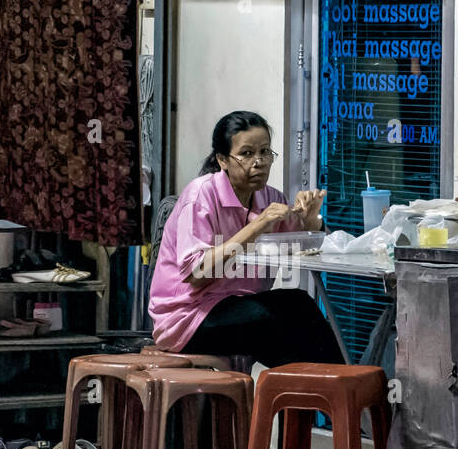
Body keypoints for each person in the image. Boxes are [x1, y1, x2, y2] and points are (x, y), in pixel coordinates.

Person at [148, 110, 345, 366]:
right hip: (187, 319)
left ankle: (332, 392)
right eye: (247, 154)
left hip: (240, 308)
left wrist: (311, 222)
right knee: (276, 322)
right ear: (222, 160)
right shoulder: (201, 197)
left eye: (265, 152)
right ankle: (340, 395)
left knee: (299, 305)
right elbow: (197, 275)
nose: (259, 162)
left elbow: (302, 250)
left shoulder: (271, 199)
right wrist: (259, 224)